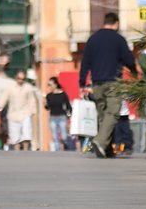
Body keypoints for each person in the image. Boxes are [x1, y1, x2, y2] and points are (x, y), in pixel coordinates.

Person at [79, 12, 137, 158]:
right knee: (113, 113)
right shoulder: (118, 39)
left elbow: (85, 62)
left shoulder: (92, 39)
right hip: (113, 82)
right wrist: (134, 71)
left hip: (96, 82)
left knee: (102, 115)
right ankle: (99, 141)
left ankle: (106, 149)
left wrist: (82, 82)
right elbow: (128, 58)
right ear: (116, 23)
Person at [0, 71, 42, 151]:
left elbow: (31, 100)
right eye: (19, 78)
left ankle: (26, 150)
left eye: (23, 79)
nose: (20, 80)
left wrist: (33, 111)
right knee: (14, 135)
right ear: (16, 78)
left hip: (25, 113)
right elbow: (4, 97)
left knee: (26, 133)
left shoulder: (28, 87)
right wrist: (0, 106)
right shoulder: (10, 87)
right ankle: (17, 152)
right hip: (13, 114)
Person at [44, 77, 72, 151]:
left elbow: (68, 105)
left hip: (62, 117)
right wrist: (45, 103)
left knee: (64, 136)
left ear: (55, 85)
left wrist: (69, 115)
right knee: (54, 137)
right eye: (48, 85)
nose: (49, 86)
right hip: (52, 117)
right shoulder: (49, 95)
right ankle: (57, 152)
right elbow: (48, 107)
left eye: (50, 84)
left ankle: (65, 148)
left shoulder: (63, 94)